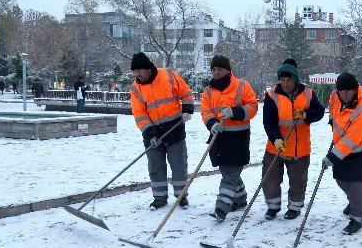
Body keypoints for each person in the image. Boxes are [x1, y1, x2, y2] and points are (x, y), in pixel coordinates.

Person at [129, 52, 195, 209]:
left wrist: (187, 109)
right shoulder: (135, 88)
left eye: (139, 71)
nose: (137, 74)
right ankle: (159, 197)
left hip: (175, 128)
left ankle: (181, 196)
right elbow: (139, 114)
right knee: (156, 166)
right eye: (134, 72)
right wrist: (150, 133)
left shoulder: (168, 75)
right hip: (153, 132)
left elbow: (186, 93)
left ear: (148, 68)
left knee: (179, 164)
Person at [262, 59, 325, 220]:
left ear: (295, 79)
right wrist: (276, 139)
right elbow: (268, 121)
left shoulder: (308, 93)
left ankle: (294, 208)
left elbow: (319, 112)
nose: (285, 83)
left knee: (298, 181)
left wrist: (305, 115)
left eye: (289, 80)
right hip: (276, 147)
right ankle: (273, 207)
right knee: (270, 179)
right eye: (282, 80)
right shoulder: (272, 95)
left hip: (300, 149)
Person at [201, 55, 258, 221]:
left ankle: (221, 207)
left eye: (219, 69)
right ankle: (240, 200)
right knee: (227, 171)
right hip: (218, 138)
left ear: (228, 70)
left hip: (238, 139)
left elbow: (253, 107)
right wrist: (211, 123)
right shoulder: (208, 91)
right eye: (213, 69)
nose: (216, 72)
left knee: (230, 174)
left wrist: (235, 112)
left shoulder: (242, 85)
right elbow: (205, 112)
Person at [322, 72, 362, 235]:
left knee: (358, 185)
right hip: (341, 146)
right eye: (341, 91)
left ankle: (356, 219)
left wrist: (332, 157)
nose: (344, 94)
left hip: (360, 150)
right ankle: (353, 201)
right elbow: (332, 105)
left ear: (355, 89)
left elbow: (352, 139)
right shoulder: (335, 96)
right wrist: (332, 119)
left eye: (348, 91)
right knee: (341, 179)